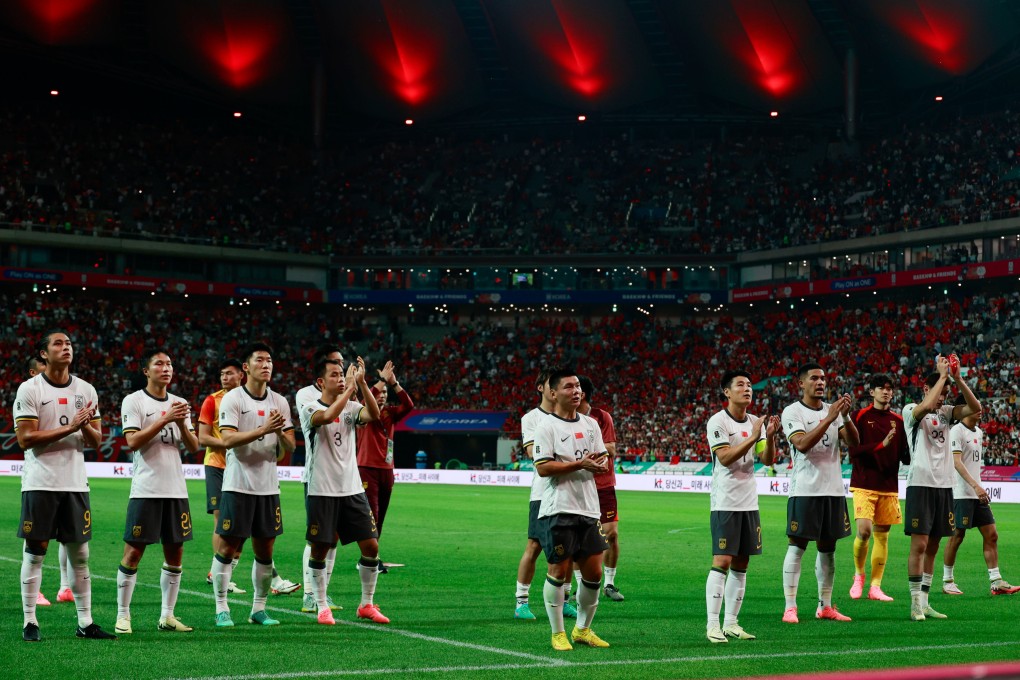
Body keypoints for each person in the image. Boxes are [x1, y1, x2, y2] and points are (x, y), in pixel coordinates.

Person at [14, 330, 117, 641]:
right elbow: (25, 439)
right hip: (40, 484)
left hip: (75, 484)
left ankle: (85, 623)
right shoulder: (30, 389)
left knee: (80, 553)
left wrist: (83, 424)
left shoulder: (86, 390)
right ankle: (30, 621)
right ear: (44, 354)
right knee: (36, 551)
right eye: (58, 343)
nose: (66, 347)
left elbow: (97, 440)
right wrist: (70, 427)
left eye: (69, 343)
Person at [115, 349, 202, 634]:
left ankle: (167, 616)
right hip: (146, 490)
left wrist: (179, 422)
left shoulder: (180, 403)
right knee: (133, 553)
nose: (166, 368)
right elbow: (133, 441)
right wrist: (164, 419)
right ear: (146, 370)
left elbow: (194, 447)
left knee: (175, 554)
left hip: (176, 490)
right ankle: (123, 615)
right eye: (159, 364)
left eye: (169, 363)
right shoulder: (134, 401)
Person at [210, 342, 296, 627]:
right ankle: (222, 608)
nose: (266, 365)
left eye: (270, 360)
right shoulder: (234, 399)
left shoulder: (280, 401)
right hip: (238, 486)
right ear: (246, 367)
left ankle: (258, 609)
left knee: (265, 550)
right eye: (260, 360)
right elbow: (227, 440)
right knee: (228, 548)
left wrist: (281, 436)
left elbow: (288, 448)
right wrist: (264, 429)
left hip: (268, 488)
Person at [298, 356, 389, 624]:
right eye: (335, 375)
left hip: (351, 489)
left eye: (342, 374)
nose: (340, 379)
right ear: (320, 382)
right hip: (322, 490)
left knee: (371, 546)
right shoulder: (309, 407)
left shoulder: (351, 405)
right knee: (320, 549)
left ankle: (366, 604)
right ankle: (322, 605)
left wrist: (360, 383)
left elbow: (373, 415)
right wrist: (350, 387)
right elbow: (326, 417)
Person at [533, 368, 610, 651]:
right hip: (559, 509)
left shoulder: (591, 424)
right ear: (553, 393)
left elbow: (602, 457)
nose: (576, 391)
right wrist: (579, 464)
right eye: (568, 387)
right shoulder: (546, 426)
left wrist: (600, 463)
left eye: (578, 386)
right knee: (558, 570)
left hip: (589, 508)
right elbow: (543, 468)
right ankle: (557, 633)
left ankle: (583, 629)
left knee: (593, 575)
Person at [903, 354, 980, 621]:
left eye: (947, 393)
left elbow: (975, 407)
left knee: (934, 546)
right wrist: (942, 376)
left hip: (944, 487)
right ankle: (914, 602)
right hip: (920, 485)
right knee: (920, 544)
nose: (944, 397)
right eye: (941, 390)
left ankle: (925, 602)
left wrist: (957, 379)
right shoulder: (911, 410)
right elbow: (924, 407)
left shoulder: (947, 413)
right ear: (926, 388)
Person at [705, 370, 780, 643]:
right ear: (727, 392)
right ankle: (713, 625)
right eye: (740, 385)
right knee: (722, 560)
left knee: (742, 562)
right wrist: (754, 435)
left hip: (749, 502)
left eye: (749, 385)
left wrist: (769, 436)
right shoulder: (718, 421)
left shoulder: (754, 421)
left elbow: (767, 460)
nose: (747, 388)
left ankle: (732, 623)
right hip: (725, 502)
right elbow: (724, 458)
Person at [780, 362, 859, 624]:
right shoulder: (792, 412)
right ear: (801, 383)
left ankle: (825, 606)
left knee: (828, 549)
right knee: (798, 546)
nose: (821, 382)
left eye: (824, 378)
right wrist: (829, 418)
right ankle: (790, 607)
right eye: (814, 378)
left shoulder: (833, 412)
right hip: (805, 491)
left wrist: (845, 416)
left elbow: (855, 443)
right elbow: (802, 444)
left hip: (833, 491)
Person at [514, 369, 579, 621]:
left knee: (570, 550)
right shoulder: (531, 419)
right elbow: (534, 454)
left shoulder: (574, 418)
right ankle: (521, 601)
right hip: (543, 493)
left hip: (570, 490)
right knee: (535, 545)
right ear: (543, 389)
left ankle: (564, 600)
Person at [942, 396, 1020, 596]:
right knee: (957, 536)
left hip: (977, 493)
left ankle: (996, 581)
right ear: (963, 409)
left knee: (992, 535)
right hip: (961, 494)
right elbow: (957, 463)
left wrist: (978, 488)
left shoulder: (978, 432)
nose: (980, 410)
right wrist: (976, 486)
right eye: (974, 407)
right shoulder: (956, 431)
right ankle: (947, 580)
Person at [848, 374, 909, 602]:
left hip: (888, 485)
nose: (886, 392)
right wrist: (880, 445)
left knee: (882, 537)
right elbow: (853, 451)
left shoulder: (899, 420)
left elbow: (905, 455)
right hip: (864, 483)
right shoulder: (860, 416)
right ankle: (858, 576)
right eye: (881, 388)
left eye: (889, 389)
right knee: (864, 531)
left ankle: (875, 586)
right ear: (871, 392)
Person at [297, 346, 346, 614]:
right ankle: (308, 594)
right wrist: (347, 390)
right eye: (336, 365)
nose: (342, 371)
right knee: (317, 539)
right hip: (316, 476)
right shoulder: (306, 395)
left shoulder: (343, 393)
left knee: (333, 538)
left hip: (342, 479)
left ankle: (322, 595)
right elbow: (325, 417)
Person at [22, 355, 71, 607]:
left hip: (69, 478)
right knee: (37, 538)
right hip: (40, 478)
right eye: (43, 367)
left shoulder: (68, 394)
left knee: (68, 537)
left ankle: (65, 587)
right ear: (33, 372)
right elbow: (28, 437)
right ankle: (36, 591)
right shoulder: (30, 396)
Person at [357, 360, 414, 568]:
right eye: (379, 395)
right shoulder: (363, 412)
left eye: (385, 396)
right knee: (372, 513)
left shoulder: (390, 414)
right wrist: (381, 382)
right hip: (367, 468)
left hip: (387, 470)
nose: (382, 397)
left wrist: (394, 383)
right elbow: (366, 398)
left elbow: (409, 405)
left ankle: (373, 556)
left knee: (381, 516)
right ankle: (369, 557)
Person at [199, 358, 247, 595]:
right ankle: (216, 573)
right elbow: (203, 438)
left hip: (241, 467)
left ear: (242, 375)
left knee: (240, 524)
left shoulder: (248, 400)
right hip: (217, 465)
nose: (225, 378)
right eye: (222, 374)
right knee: (220, 519)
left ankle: (219, 573)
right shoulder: (212, 400)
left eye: (229, 374)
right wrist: (229, 444)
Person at [577, 376, 624, 602]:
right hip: (579, 484)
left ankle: (610, 583)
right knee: (578, 538)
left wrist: (585, 449)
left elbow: (612, 449)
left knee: (611, 534)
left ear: (582, 393)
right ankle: (579, 585)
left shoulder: (601, 416)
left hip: (604, 485)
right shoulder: (565, 419)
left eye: (575, 388)